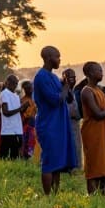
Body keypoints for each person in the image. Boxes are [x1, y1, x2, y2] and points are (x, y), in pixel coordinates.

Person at [33, 46, 78, 194]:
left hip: (59, 124)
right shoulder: (41, 77)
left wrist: (69, 86)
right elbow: (55, 100)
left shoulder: (54, 77)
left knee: (58, 162)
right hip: (48, 124)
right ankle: (47, 197)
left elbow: (68, 98)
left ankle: (55, 195)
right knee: (49, 161)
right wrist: (65, 86)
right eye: (57, 57)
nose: (60, 60)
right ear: (48, 58)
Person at [80, 62, 105, 194]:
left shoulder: (100, 90)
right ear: (89, 73)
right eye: (98, 70)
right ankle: (93, 197)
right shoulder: (87, 91)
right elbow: (98, 114)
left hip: (103, 132)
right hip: (92, 132)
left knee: (104, 164)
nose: (102, 72)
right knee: (94, 166)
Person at [0, 74, 24, 160]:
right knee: (4, 157)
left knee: (14, 157)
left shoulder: (16, 96)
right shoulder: (4, 94)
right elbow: (6, 112)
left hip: (17, 130)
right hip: (8, 131)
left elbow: (18, 112)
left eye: (16, 83)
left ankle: (12, 172)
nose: (15, 85)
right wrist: (20, 108)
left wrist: (23, 108)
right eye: (13, 83)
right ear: (7, 83)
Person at [63, 67, 83, 167]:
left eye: (74, 77)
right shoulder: (63, 91)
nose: (73, 80)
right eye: (69, 77)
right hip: (66, 126)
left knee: (77, 148)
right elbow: (68, 111)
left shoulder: (73, 92)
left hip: (75, 125)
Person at [20, 80, 37, 159]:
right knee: (25, 146)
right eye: (27, 88)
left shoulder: (34, 100)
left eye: (30, 87)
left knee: (32, 146)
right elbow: (21, 114)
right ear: (24, 89)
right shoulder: (22, 101)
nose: (30, 89)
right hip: (25, 126)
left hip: (33, 125)